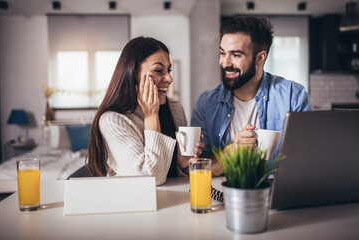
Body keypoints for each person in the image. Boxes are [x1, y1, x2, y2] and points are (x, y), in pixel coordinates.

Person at [191, 16, 314, 174]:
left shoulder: (293, 96)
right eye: (222, 53)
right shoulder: (205, 103)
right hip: (224, 195)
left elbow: (309, 156)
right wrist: (232, 151)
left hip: (280, 195)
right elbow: (199, 167)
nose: (225, 63)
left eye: (236, 55)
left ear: (260, 58)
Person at [88, 36, 204, 185]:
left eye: (169, 70)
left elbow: (173, 175)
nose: (169, 78)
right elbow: (151, 179)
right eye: (158, 70)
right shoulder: (113, 120)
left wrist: (182, 163)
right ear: (132, 73)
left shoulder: (175, 109)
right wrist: (151, 115)